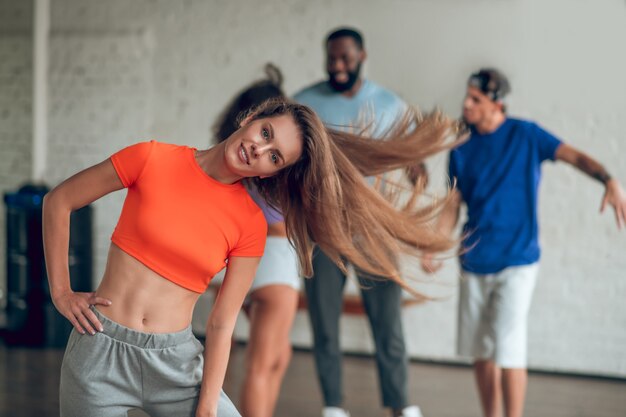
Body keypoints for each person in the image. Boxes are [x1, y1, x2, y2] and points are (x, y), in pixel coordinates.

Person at [43, 93, 462, 415]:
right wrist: (62, 293)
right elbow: (59, 201)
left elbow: (223, 322)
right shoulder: (151, 157)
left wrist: (207, 402)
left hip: (175, 365)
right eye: (265, 134)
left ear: (272, 173)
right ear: (251, 119)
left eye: (274, 156)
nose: (259, 150)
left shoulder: (249, 223)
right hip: (99, 348)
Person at [422, 68, 626, 417]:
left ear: (497, 104)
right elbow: (453, 204)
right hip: (474, 259)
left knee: (509, 347)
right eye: (467, 96)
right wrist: (436, 245)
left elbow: (574, 156)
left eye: (476, 99)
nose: (466, 104)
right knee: (481, 351)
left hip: (518, 260)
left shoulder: (526, 135)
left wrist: (608, 179)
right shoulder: (461, 146)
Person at [294, 27, 426, 417]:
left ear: (362, 56)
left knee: (388, 325)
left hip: (374, 231)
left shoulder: (390, 105)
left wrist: (418, 185)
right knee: (325, 326)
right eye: (331, 58)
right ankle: (333, 406)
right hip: (322, 231)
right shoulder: (304, 104)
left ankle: (400, 404)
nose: (336, 66)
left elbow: (415, 165)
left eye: (345, 59)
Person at [213, 63, 299, 417]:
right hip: (274, 261)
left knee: (279, 355)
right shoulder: (262, 170)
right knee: (262, 365)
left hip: (255, 265)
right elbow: (277, 226)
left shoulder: (236, 161)